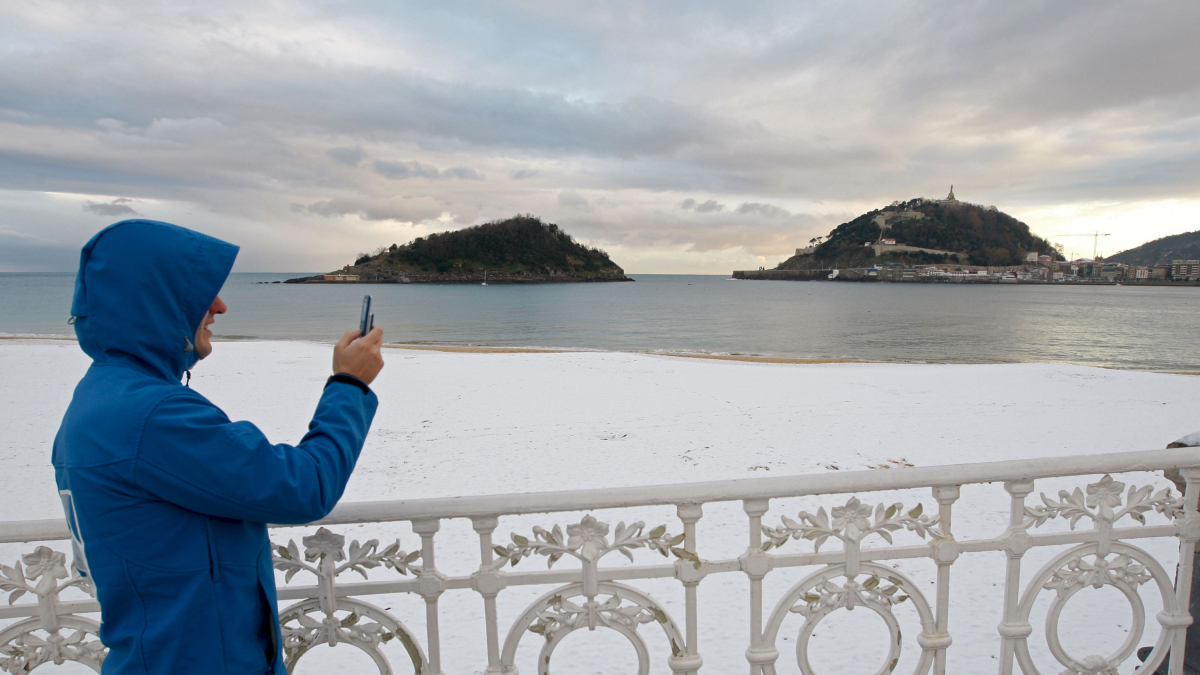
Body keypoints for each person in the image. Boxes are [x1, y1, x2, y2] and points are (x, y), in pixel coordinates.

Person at [52, 220, 384, 674]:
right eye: (201, 291)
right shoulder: (150, 416)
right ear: (154, 299)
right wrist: (349, 386)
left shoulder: (101, 397)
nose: (221, 306)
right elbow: (303, 487)